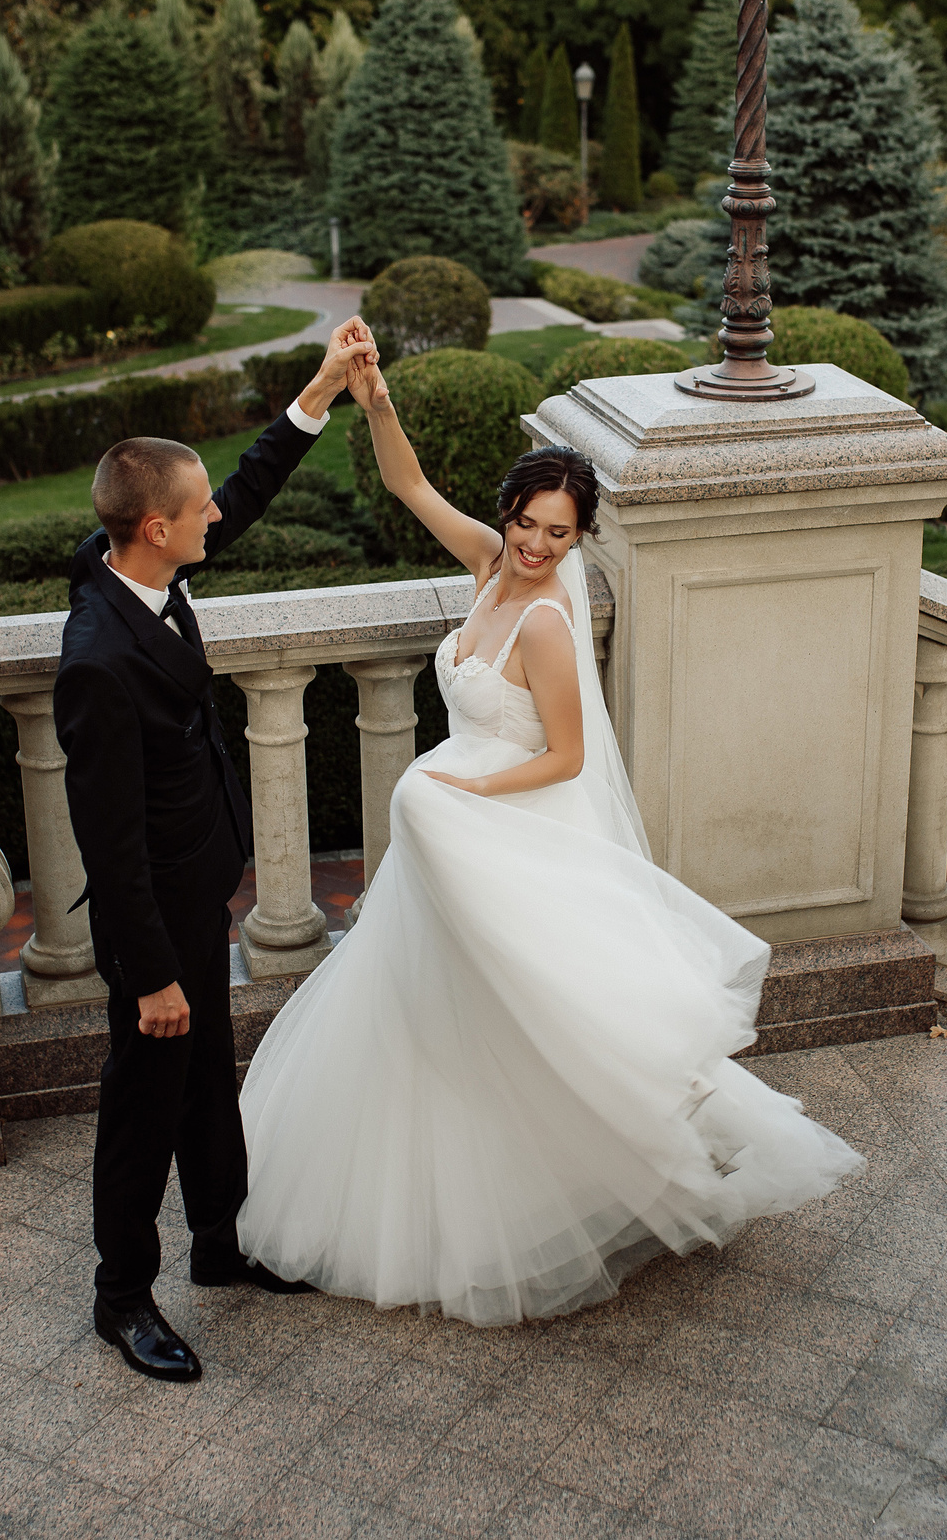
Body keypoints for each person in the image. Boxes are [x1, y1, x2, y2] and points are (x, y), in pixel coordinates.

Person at [233, 348, 863, 1327]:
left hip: (503, 828)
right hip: (452, 842)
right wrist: (376, 401)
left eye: (556, 533)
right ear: (509, 515)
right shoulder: (488, 566)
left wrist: (465, 789)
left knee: (535, 1019)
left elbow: (566, 757)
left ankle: (615, 1166)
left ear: (578, 536)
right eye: (526, 523)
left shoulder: (545, 628)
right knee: (443, 1009)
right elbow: (407, 485)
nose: (534, 545)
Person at [57, 314, 377, 1384]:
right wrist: (150, 973)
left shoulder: (140, 571)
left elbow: (241, 492)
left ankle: (221, 1243)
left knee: (206, 1079)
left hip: (197, 893)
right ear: (155, 527)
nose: (215, 517)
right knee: (142, 1103)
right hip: (150, 921)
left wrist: (319, 392)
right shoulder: (98, 660)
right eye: (197, 511)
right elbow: (107, 844)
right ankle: (120, 1297)